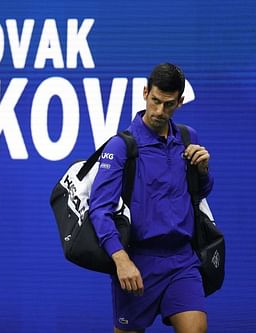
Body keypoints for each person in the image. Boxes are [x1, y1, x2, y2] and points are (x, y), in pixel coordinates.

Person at [89, 63, 213, 333]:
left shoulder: (188, 137)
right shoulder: (121, 146)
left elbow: (199, 193)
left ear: (180, 102)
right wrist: (121, 261)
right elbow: (99, 209)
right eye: (155, 101)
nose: (159, 111)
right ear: (145, 92)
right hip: (138, 262)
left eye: (168, 104)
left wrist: (202, 172)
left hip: (182, 260)